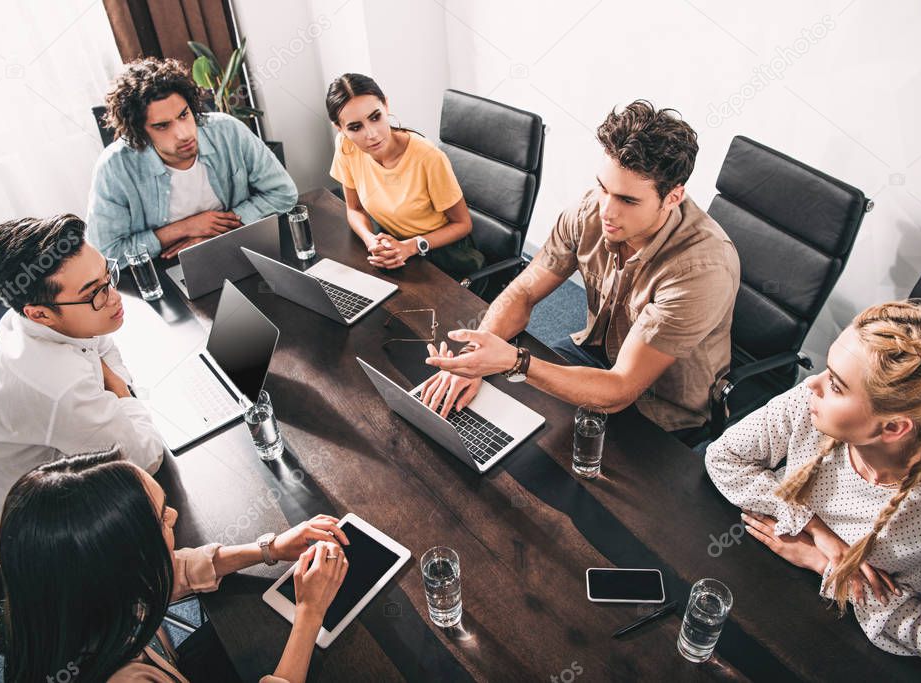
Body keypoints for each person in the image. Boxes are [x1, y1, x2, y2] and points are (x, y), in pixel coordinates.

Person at [422, 100, 739, 444]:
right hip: (593, 351)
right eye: (604, 188)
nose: (607, 211)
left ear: (673, 197)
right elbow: (524, 291)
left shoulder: (701, 269)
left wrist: (514, 361)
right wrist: (474, 359)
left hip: (659, 407)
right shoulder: (591, 210)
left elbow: (620, 389)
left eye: (628, 201)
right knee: (486, 423)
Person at [705, 300, 921, 665]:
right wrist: (813, 526)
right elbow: (724, 457)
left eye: (836, 384)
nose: (813, 383)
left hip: (843, 643)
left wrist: (827, 567)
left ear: (894, 427)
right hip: (757, 573)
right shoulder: (812, 400)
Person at [0, 451, 349, 682]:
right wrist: (310, 613)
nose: (175, 516)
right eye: (162, 519)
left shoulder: (68, 598)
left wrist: (268, 548)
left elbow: (172, 568)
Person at [0, 214, 163, 560]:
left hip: (29, 486)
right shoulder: (59, 387)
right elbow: (146, 458)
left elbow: (104, 348)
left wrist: (114, 389)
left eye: (107, 276)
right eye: (96, 294)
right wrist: (119, 392)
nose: (114, 297)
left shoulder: (27, 317)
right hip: (35, 544)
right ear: (40, 313)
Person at [87, 57, 298, 263]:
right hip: (165, 265)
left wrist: (215, 233)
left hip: (236, 246)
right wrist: (185, 228)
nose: (183, 134)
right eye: (162, 126)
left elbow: (284, 193)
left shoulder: (227, 131)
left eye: (183, 115)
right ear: (139, 132)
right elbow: (107, 254)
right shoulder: (114, 167)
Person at [326, 73, 484, 280]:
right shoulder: (346, 146)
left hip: (443, 253)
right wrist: (371, 241)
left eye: (375, 117)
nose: (371, 134)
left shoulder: (428, 157)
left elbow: (463, 225)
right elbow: (354, 209)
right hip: (393, 243)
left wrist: (412, 246)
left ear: (386, 106)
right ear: (339, 128)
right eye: (355, 127)